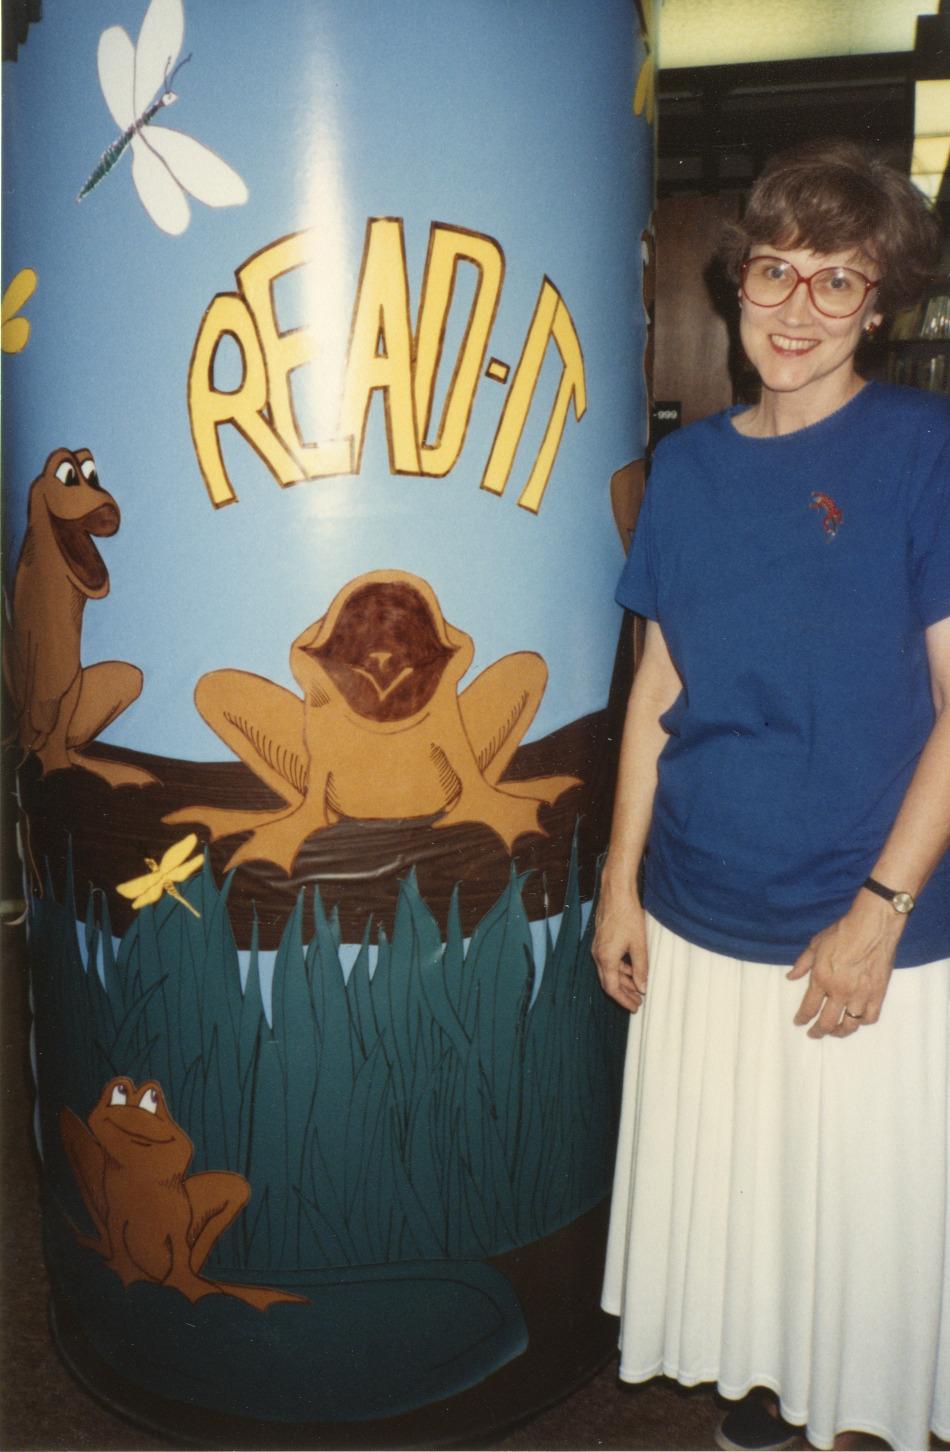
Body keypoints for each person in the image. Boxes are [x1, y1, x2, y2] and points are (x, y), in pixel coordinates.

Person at [595, 139, 950, 1452]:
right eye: (774, 271)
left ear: (881, 306)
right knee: (742, 1197)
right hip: (698, 901)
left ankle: (858, 1418)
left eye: (837, 282)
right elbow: (653, 692)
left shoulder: (923, 449)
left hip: (861, 914)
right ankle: (767, 1386)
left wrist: (877, 909)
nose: (794, 309)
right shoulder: (684, 469)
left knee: (861, 1215)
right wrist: (618, 884)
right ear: (735, 281)